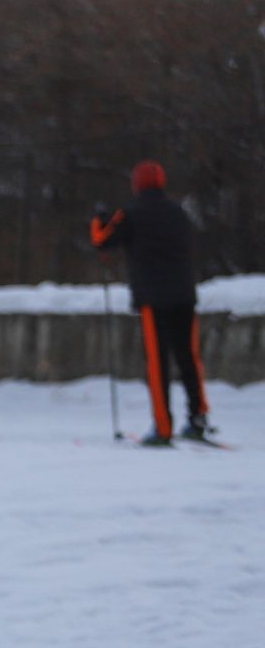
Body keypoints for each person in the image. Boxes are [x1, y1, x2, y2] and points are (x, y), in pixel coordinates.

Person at [92, 161, 211, 446]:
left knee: (158, 362)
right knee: (189, 357)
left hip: (153, 298)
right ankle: (198, 417)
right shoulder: (178, 212)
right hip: (184, 295)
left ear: (136, 184)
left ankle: (163, 426)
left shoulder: (130, 213)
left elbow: (102, 240)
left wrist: (99, 218)